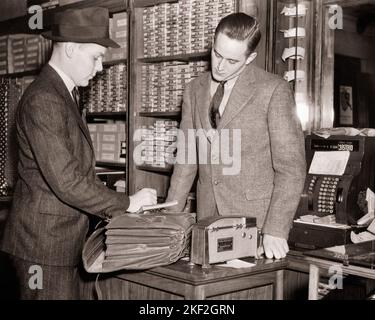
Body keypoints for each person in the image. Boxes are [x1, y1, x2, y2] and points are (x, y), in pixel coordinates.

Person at [0, 7, 156, 300]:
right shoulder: (45, 98)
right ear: (70, 49)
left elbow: (76, 172)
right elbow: (67, 181)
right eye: (96, 57)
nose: (99, 68)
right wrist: (127, 203)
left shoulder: (63, 94)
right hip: (43, 248)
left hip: (57, 244)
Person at [166, 12, 306, 260]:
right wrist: (168, 222)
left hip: (257, 226)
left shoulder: (274, 90)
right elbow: (186, 161)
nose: (220, 66)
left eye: (232, 61)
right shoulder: (193, 90)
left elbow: (291, 168)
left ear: (250, 58)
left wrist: (276, 229)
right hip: (208, 220)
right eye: (217, 54)